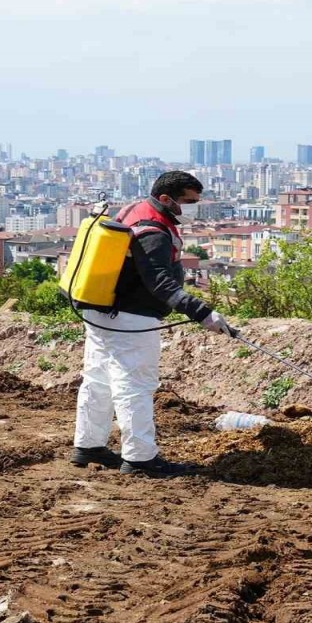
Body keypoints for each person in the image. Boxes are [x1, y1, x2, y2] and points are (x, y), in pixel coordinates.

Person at [71, 171, 235, 478]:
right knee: (135, 386)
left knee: (98, 380)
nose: (191, 209)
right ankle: (140, 458)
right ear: (165, 199)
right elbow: (159, 282)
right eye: (188, 202)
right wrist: (202, 313)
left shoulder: (134, 210)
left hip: (99, 308)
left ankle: (89, 446)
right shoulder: (155, 232)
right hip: (131, 318)